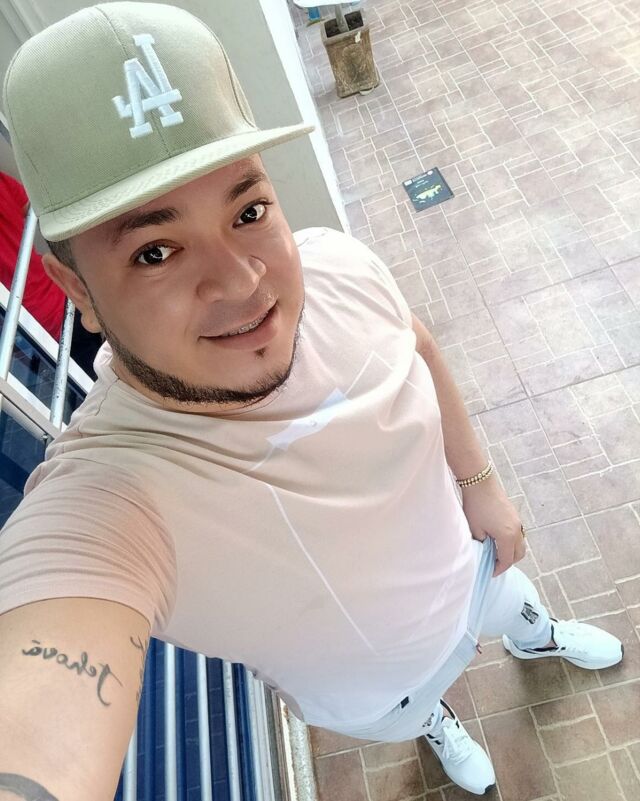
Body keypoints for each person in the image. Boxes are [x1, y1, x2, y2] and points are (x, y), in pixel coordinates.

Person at [0, 4, 622, 799]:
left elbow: (418, 345)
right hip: (377, 695)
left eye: (247, 211)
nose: (241, 282)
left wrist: (482, 486)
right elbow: (47, 673)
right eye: (155, 251)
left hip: (477, 574)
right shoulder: (110, 495)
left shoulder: (339, 269)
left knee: (524, 611)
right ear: (76, 289)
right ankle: (437, 722)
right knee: (415, 713)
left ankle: (538, 639)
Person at [0, 171, 103, 379]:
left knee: (97, 383)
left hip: (35, 332)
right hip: (66, 299)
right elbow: (34, 210)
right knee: (114, 366)